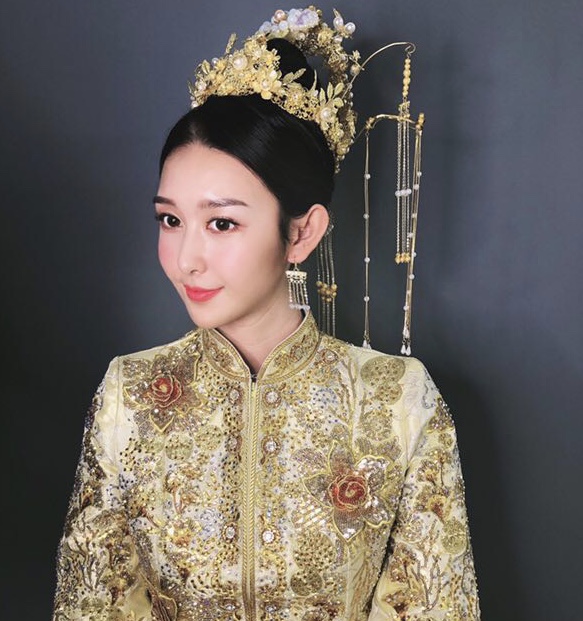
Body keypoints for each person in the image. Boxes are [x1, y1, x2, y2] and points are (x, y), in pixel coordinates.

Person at [53, 7, 480, 621]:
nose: (186, 259)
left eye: (222, 223)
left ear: (301, 233)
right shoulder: (129, 394)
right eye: (170, 219)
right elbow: (93, 604)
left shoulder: (398, 401)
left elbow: (434, 606)